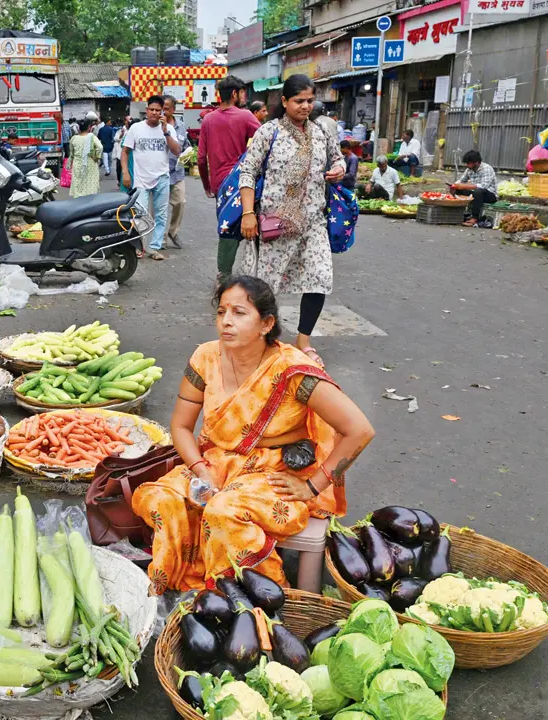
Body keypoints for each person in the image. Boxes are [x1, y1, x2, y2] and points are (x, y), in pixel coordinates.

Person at [131, 276, 374, 591]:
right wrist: (202, 471)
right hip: (216, 463)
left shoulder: (290, 369)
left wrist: (313, 486)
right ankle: (182, 587)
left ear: (266, 323)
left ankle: (256, 599)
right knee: (159, 500)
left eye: (239, 313)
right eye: (221, 312)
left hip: (272, 472)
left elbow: (359, 430)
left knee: (223, 511)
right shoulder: (205, 357)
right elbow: (180, 426)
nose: (226, 322)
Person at [236, 74, 344, 365]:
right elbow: (247, 172)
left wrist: (339, 169)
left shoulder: (322, 133)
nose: (306, 106)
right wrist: (248, 214)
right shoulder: (269, 132)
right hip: (276, 225)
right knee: (267, 287)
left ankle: (303, 342)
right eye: (299, 101)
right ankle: (267, 341)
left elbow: (338, 159)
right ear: (284, 102)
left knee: (319, 279)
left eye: (310, 100)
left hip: (313, 222)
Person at [198, 75, 261, 277]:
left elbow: (201, 158)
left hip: (220, 184)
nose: (243, 96)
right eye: (242, 92)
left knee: (227, 229)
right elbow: (265, 142)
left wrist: (207, 185)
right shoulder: (245, 116)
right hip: (243, 181)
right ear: (234, 93)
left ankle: (223, 275)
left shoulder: (208, 119)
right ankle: (259, 272)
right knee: (252, 221)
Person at [121, 95, 181, 261]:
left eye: (158, 110)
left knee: (161, 215)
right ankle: (139, 246)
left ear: (163, 112)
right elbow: (125, 152)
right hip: (141, 179)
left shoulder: (168, 129)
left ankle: (154, 248)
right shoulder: (136, 128)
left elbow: (176, 151)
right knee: (140, 214)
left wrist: (166, 132)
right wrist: (126, 172)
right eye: (151, 110)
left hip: (162, 177)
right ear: (146, 110)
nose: (154, 113)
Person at [163, 95, 191, 249]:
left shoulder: (181, 126)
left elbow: (186, 145)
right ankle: (160, 239)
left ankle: (173, 232)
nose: (164, 111)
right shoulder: (156, 126)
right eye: (162, 108)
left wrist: (188, 155)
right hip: (159, 173)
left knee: (180, 202)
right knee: (160, 209)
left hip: (177, 172)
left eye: (167, 108)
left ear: (173, 110)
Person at [451, 149, 498, 226]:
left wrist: (464, 186)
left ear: (477, 162)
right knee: (457, 190)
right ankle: (458, 213)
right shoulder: (469, 170)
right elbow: (461, 181)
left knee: (478, 192)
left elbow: (483, 186)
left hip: (490, 195)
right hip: (475, 193)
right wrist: (454, 186)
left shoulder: (486, 169)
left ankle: (474, 218)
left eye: (469, 163)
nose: (467, 165)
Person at [69, 117, 103, 198]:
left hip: (77, 163)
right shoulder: (92, 137)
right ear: (89, 127)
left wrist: (70, 162)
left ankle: (78, 202)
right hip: (90, 162)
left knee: (78, 182)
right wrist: (96, 157)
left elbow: (71, 153)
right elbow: (100, 147)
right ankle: (90, 202)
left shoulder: (74, 138)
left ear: (79, 128)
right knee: (90, 182)